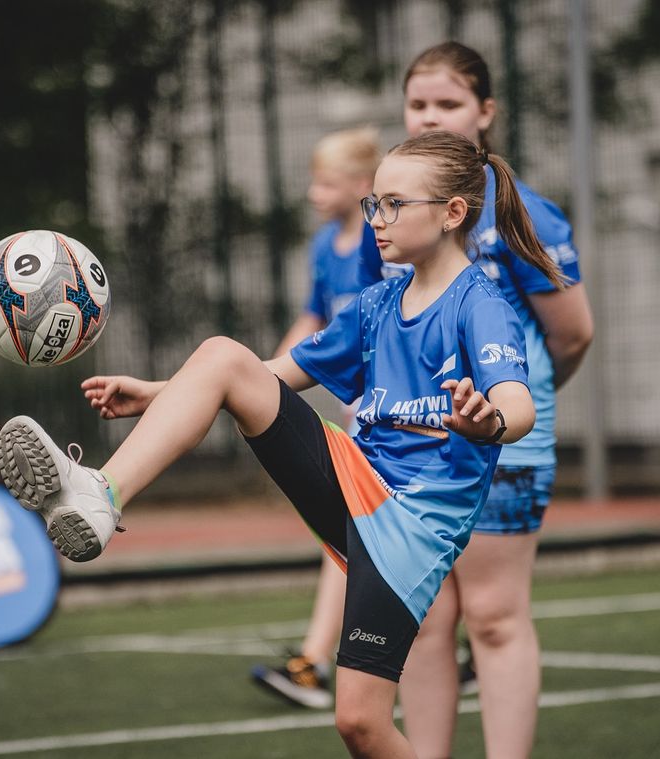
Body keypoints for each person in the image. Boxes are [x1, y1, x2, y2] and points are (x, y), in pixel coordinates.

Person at [0, 130, 563, 759]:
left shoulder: (481, 303)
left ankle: (101, 493)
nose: (377, 219)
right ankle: (100, 492)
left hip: (414, 523)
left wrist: (487, 423)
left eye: (395, 204)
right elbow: (272, 373)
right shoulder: (378, 302)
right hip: (357, 482)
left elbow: (518, 405)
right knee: (221, 357)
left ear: (453, 213)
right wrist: (158, 391)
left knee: (360, 724)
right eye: (374, 203)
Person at [389, 42, 595, 759]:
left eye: (447, 103)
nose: (430, 116)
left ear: (485, 112)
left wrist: (515, 408)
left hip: (503, 448)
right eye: (418, 103)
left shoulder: (522, 214)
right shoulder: (397, 211)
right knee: (420, 619)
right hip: (408, 450)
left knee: (496, 617)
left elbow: (572, 335)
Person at [251, 127, 381, 709]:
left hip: (395, 418)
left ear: (360, 186)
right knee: (350, 539)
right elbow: (311, 320)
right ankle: (315, 663)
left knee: (360, 540)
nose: (312, 193)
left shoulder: (385, 246)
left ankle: (317, 662)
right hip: (362, 417)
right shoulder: (326, 246)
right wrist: (254, 377)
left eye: (325, 182)